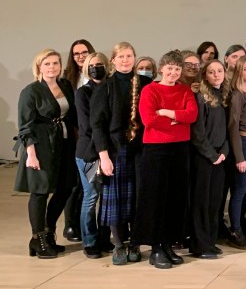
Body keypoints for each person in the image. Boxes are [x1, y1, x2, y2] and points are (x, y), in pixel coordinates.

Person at [135, 50, 199, 269]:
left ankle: (168, 243)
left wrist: (167, 113)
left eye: (177, 69)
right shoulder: (150, 90)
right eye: (170, 68)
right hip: (156, 149)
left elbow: (192, 115)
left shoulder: (185, 90)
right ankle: (156, 247)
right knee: (155, 198)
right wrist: (176, 120)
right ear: (161, 68)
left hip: (180, 148)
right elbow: (149, 119)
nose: (173, 72)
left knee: (176, 198)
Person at [15, 49, 78, 259]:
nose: (52, 67)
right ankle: (37, 239)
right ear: (39, 67)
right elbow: (25, 126)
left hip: (64, 144)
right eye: (47, 64)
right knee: (40, 192)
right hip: (40, 146)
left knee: (65, 188)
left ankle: (49, 233)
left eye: (55, 63)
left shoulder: (65, 85)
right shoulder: (30, 91)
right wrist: (31, 154)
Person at [91, 42, 147, 265]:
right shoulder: (105, 87)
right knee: (117, 200)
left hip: (140, 150)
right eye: (121, 56)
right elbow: (97, 125)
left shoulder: (145, 84)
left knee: (137, 199)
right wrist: (103, 156)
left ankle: (135, 243)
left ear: (134, 58)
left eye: (129, 56)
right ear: (113, 60)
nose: (125, 60)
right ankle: (119, 245)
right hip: (115, 151)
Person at [189, 60, 229, 259]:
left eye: (219, 71)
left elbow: (228, 129)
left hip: (220, 156)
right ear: (205, 75)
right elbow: (198, 133)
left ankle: (210, 242)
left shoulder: (224, 96)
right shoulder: (200, 97)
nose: (216, 75)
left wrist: (224, 152)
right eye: (211, 72)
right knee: (202, 203)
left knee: (215, 202)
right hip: (204, 157)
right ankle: (200, 245)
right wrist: (212, 155)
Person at [75, 51, 110, 258]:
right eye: (92, 65)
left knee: (106, 198)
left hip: (108, 152)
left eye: (99, 64)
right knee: (91, 197)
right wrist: (102, 150)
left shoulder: (110, 89)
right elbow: (88, 126)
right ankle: (89, 241)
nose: (96, 68)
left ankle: (104, 238)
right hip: (89, 153)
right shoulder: (83, 93)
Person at [226, 55, 246, 248]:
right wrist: (239, 156)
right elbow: (233, 127)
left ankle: (242, 225)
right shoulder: (238, 95)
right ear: (239, 71)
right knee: (239, 189)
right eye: (245, 69)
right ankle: (235, 230)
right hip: (242, 142)